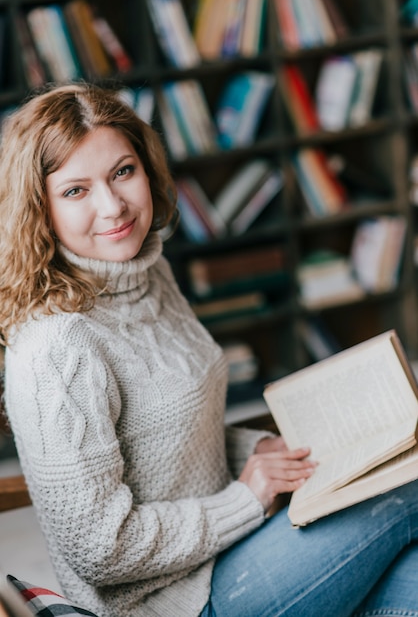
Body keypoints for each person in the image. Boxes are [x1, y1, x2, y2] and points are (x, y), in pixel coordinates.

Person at [0, 82, 418, 617]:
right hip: (175, 603)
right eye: (76, 191)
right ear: (40, 207)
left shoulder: (147, 272)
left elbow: (158, 439)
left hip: (227, 551)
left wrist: (255, 455)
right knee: (403, 484)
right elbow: (99, 548)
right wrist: (246, 498)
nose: (113, 207)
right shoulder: (56, 346)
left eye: (123, 172)